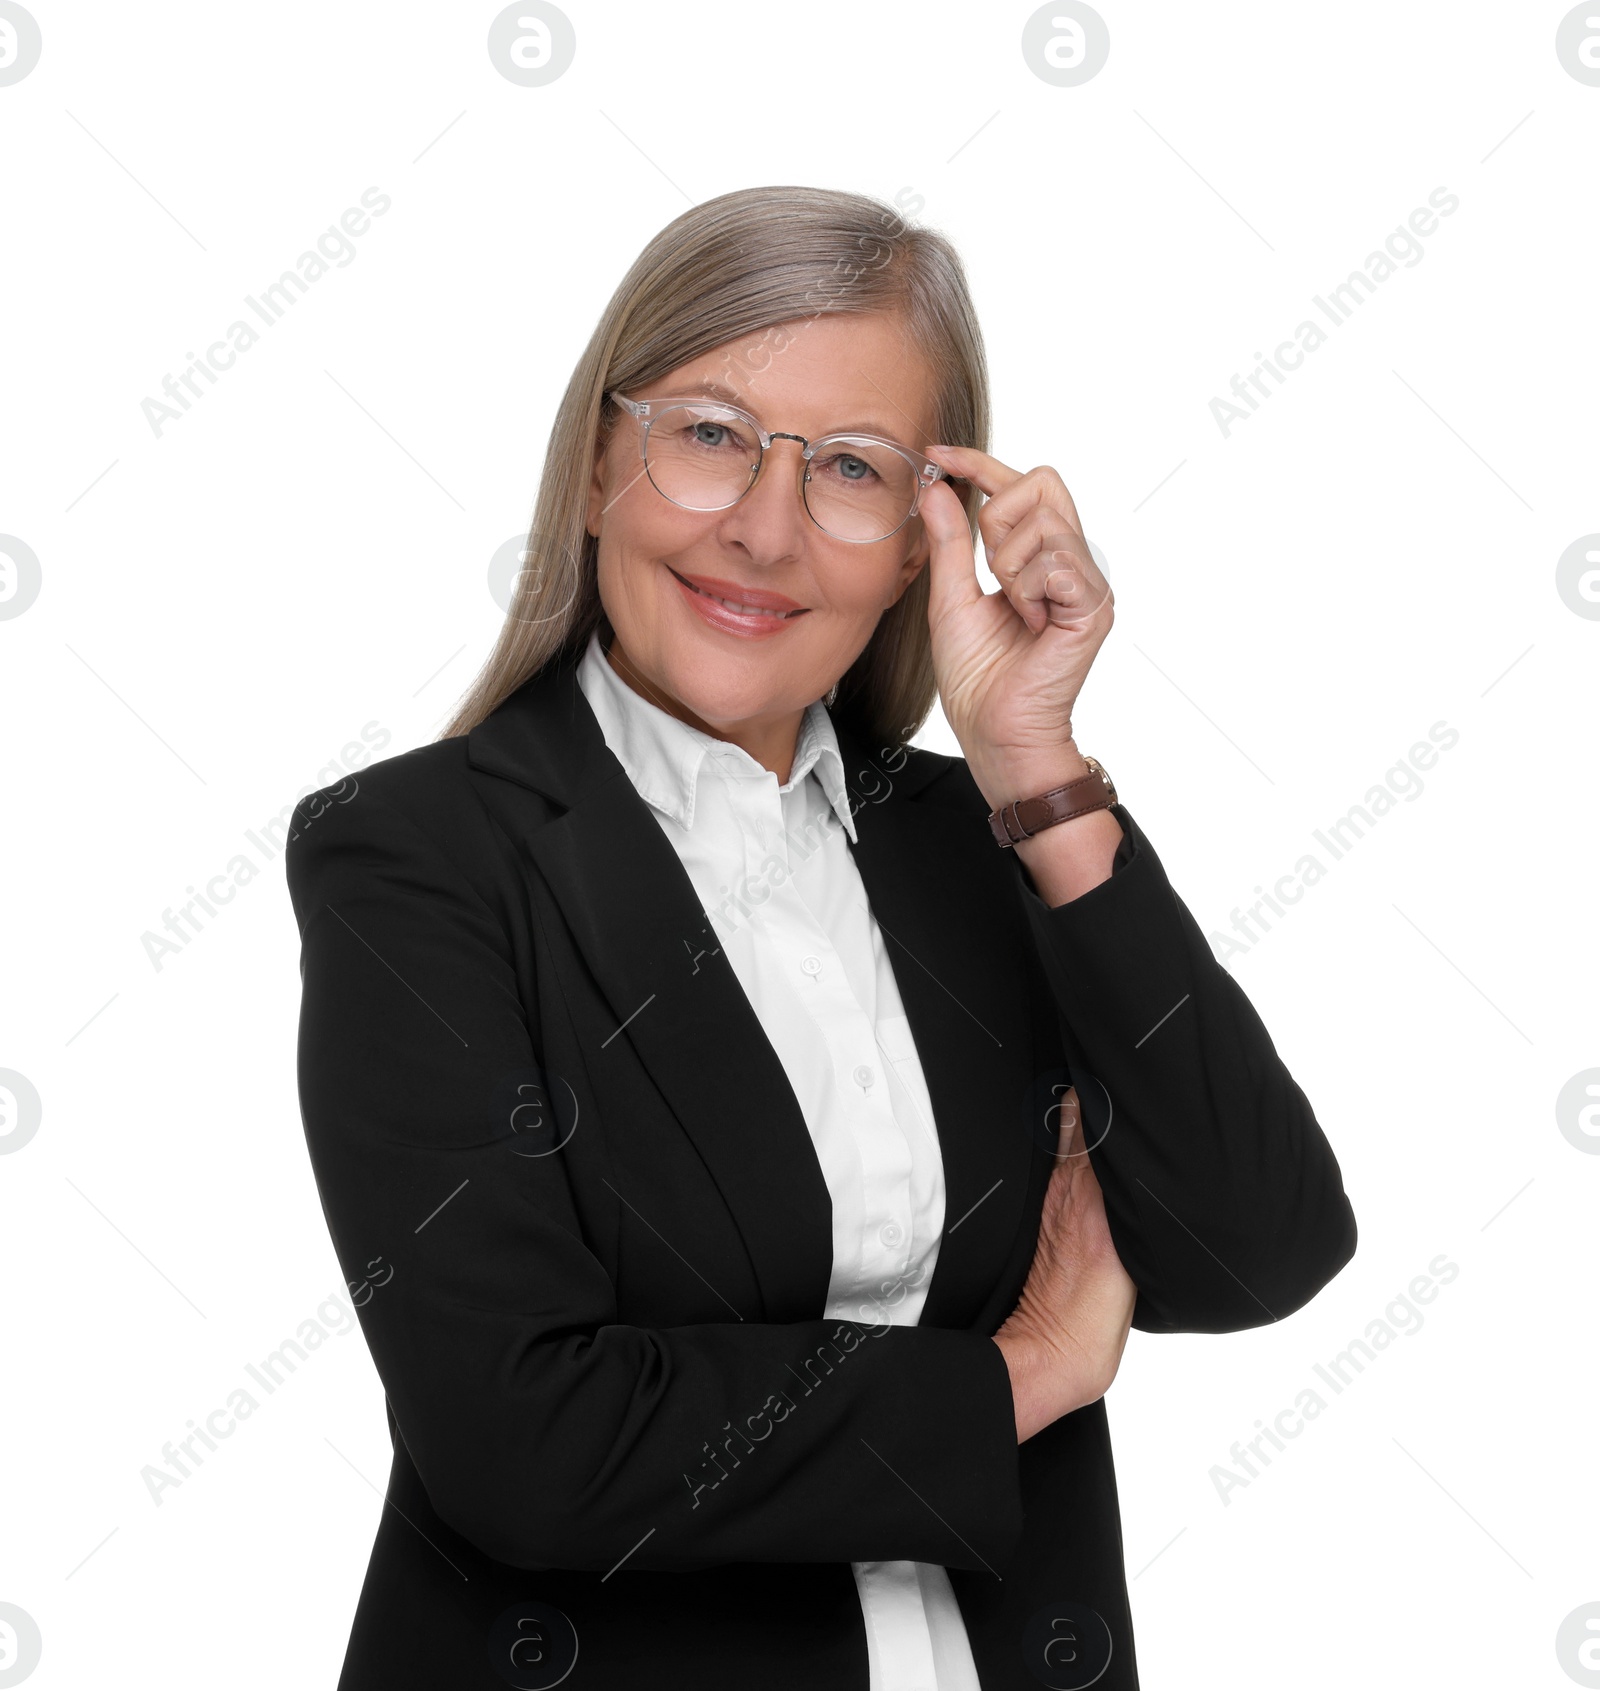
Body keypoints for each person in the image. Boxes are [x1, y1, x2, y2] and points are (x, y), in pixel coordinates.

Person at [284, 184, 1357, 1691]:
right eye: (711, 434)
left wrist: (1043, 777)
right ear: (601, 465)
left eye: (851, 468)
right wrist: (1014, 1377)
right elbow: (523, 1440)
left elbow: (1261, 1245)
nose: (766, 531)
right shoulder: (421, 854)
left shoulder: (980, 845)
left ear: (927, 542)